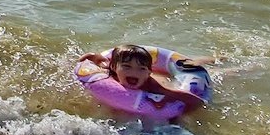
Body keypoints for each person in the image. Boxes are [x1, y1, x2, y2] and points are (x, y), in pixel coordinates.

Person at [77, 44, 212, 115]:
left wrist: (176, 114)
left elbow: (193, 99)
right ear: (114, 67)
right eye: (126, 67)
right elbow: (99, 59)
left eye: (141, 69)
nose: (134, 72)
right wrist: (89, 58)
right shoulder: (109, 70)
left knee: (203, 68)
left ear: (148, 72)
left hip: (169, 76)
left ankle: (213, 60)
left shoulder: (153, 86)